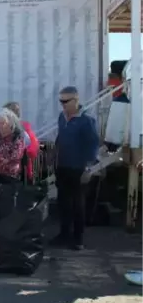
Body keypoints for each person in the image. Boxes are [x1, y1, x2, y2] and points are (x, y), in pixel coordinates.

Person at [52, 86, 99, 251]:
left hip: (78, 168)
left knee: (78, 204)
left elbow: (92, 145)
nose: (63, 105)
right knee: (63, 202)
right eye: (61, 101)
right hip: (63, 166)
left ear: (76, 100)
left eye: (66, 101)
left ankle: (78, 239)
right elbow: (60, 139)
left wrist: (88, 169)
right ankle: (64, 234)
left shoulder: (87, 120)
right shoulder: (62, 117)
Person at [3, 101, 40, 181]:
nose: (17, 112)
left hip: (21, 166)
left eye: (17, 110)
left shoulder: (24, 126)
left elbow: (32, 149)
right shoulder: (2, 127)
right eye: (13, 110)